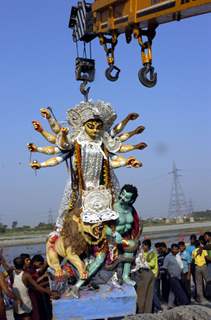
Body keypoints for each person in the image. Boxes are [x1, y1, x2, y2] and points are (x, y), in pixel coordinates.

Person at [132, 239, 158, 313]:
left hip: (148, 274)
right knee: (143, 294)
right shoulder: (141, 253)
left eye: (144, 245)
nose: (143, 247)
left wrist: (142, 263)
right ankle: (142, 310)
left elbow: (151, 264)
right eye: (142, 245)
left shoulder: (151, 253)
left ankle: (144, 311)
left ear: (148, 246)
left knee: (146, 294)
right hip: (142, 274)